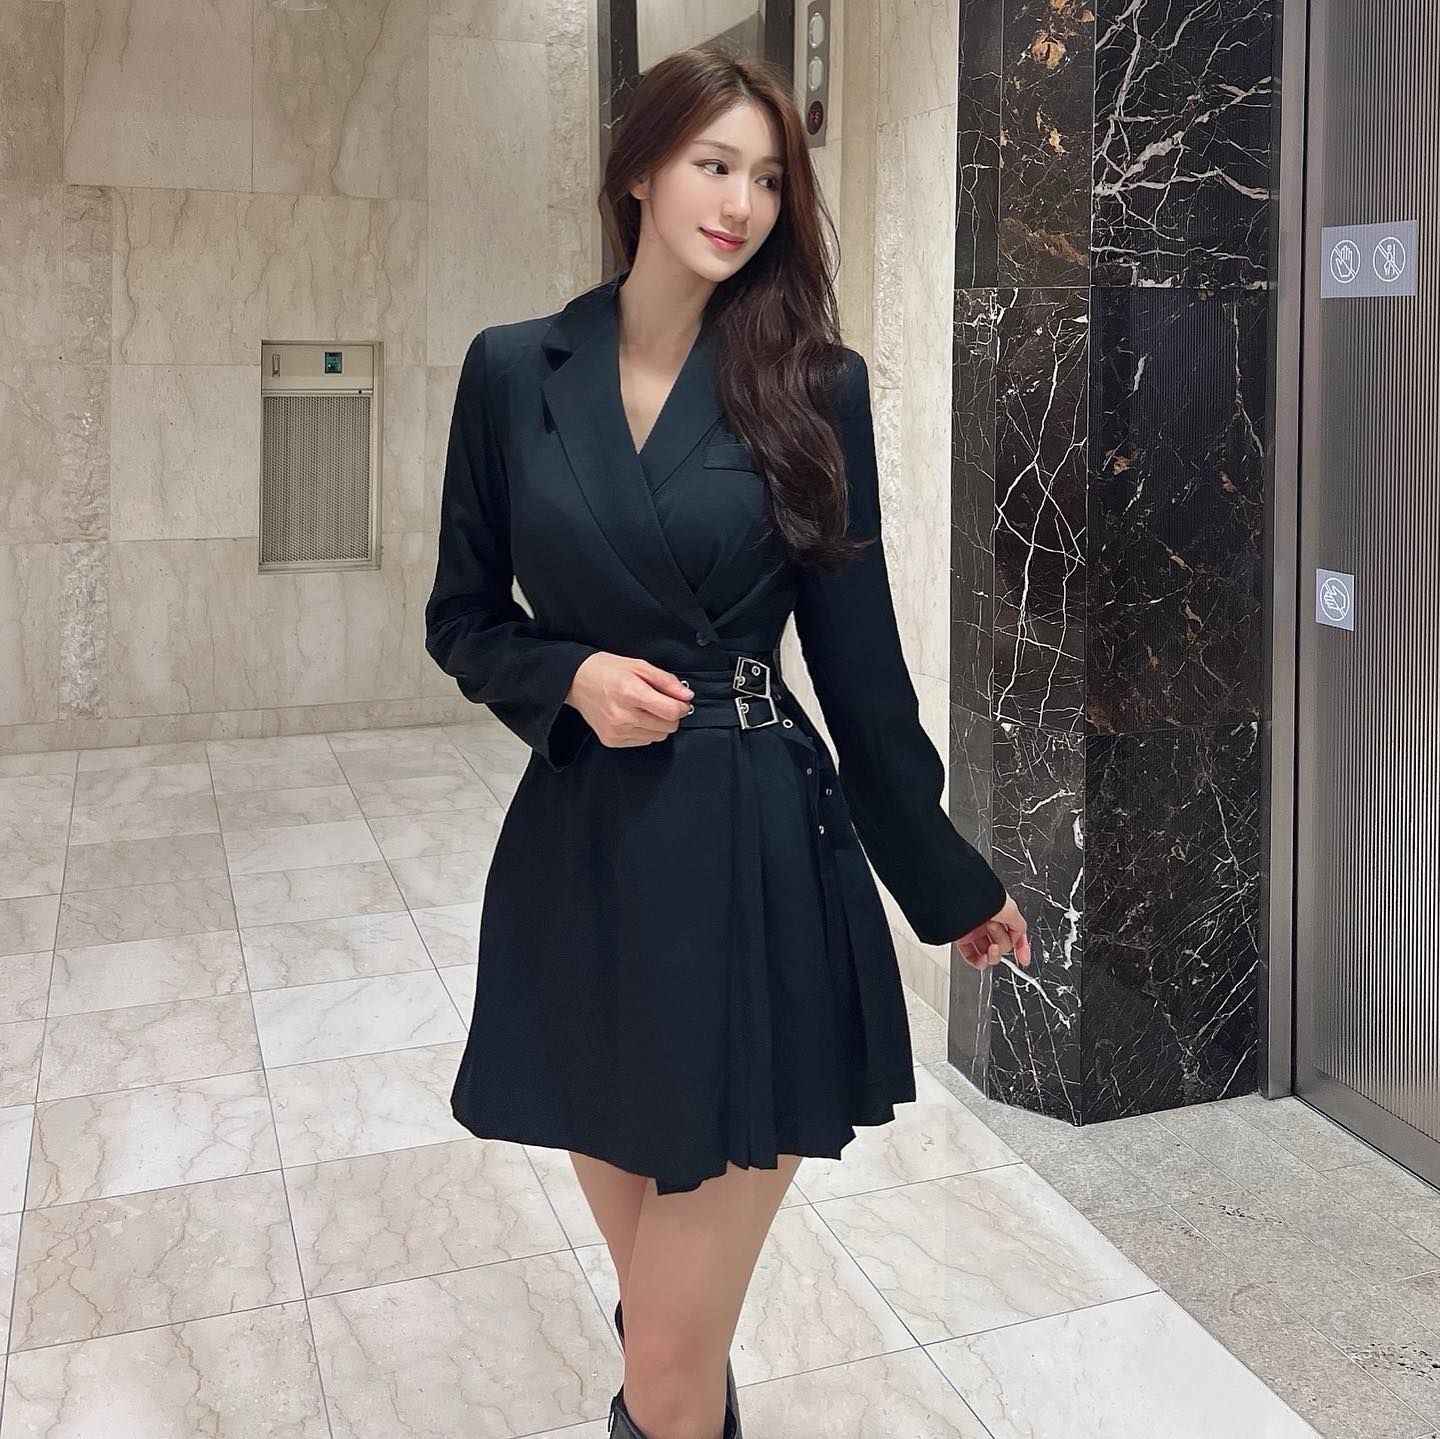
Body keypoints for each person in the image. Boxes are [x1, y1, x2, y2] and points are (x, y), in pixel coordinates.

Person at [424, 45, 1031, 1439]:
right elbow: (464, 618)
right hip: (584, 853)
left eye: (768, 178)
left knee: (664, 1358)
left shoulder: (813, 385)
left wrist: (944, 879)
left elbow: (861, 669)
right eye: (714, 165)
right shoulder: (514, 371)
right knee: (662, 1326)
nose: (742, 203)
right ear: (639, 169)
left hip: (757, 851)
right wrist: (569, 674)